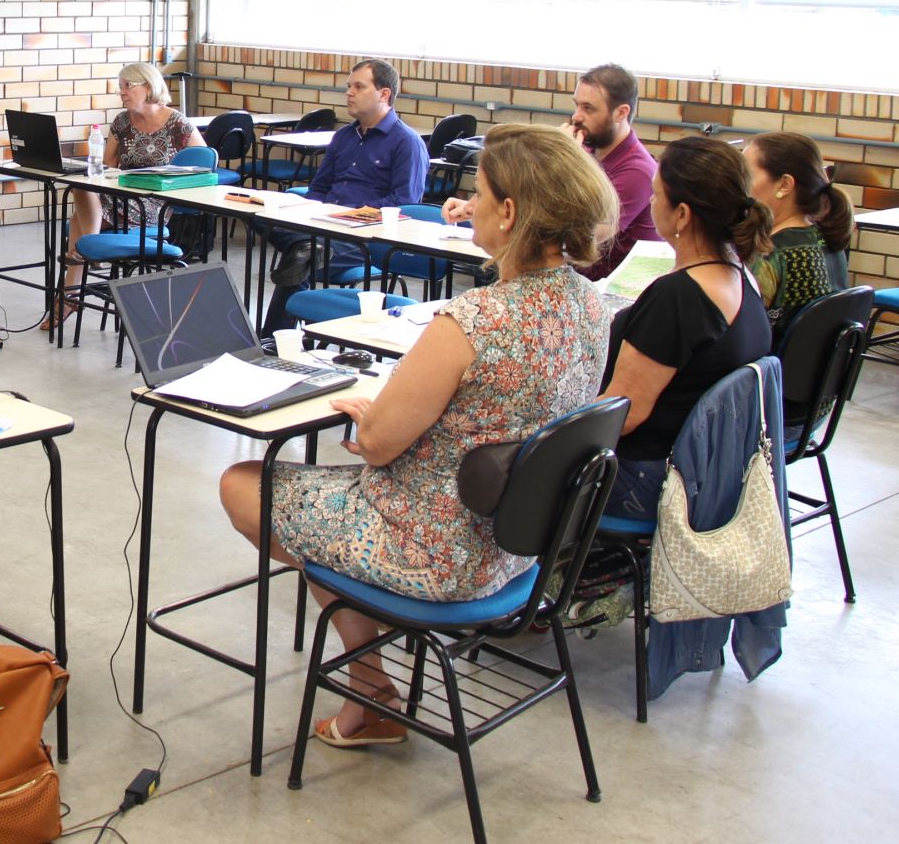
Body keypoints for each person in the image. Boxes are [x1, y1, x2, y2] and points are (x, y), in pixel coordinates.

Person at [220, 124, 616, 746]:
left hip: (435, 550)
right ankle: (368, 681)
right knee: (317, 516)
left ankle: (370, 687)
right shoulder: (593, 305)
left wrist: (369, 416)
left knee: (245, 485)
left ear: (509, 213)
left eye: (479, 194)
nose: (469, 205)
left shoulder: (472, 319)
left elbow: (378, 445)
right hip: (522, 546)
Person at [600, 136, 773, 522]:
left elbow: (621, 415)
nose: (649, 203)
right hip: (707, 470)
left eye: (656, 194)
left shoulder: (679, 298)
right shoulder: (743, 275)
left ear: (682, 215)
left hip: (649, 477)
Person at [441, 63, 658, 282]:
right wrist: (478, 206)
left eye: (588, 108)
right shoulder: (589, 148)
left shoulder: (638, 170)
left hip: (605, 293)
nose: (577, 117)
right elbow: (530, 199)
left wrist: (562, 159)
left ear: (621, 113)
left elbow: (582, 233)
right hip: (565, 277)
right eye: (577, 106)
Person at [260, 58, 429, 331]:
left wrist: (351, 216)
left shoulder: (407, 142)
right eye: (349, 86)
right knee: (264, 218)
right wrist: (305, 211)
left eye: (359, 87)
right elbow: (319, 187)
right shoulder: (343, 137)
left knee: (301, 255)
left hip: (366, 237)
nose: (349, 93)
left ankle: (272, 337)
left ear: (384, 94)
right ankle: (307, 247)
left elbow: (404, 204)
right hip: (324, 224)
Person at [54, 61, 205, 323]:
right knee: (81, 186)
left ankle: (72, 287)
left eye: (127, 86)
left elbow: (205, 162)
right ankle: (87, 258)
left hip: (153, 202)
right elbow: (107, 164)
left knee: (78, 215)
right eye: (120, 87)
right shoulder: (123, 121)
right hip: (121, 193)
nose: (122, 92)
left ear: (148, 87)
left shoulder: (176, 123)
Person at [745, 131, 853, 337]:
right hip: (816, 368)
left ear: (784, 185)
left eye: (747, 175)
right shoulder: (829, 240)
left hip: (772, 366)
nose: (740, 185)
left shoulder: (770, 256)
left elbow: (743, 336)